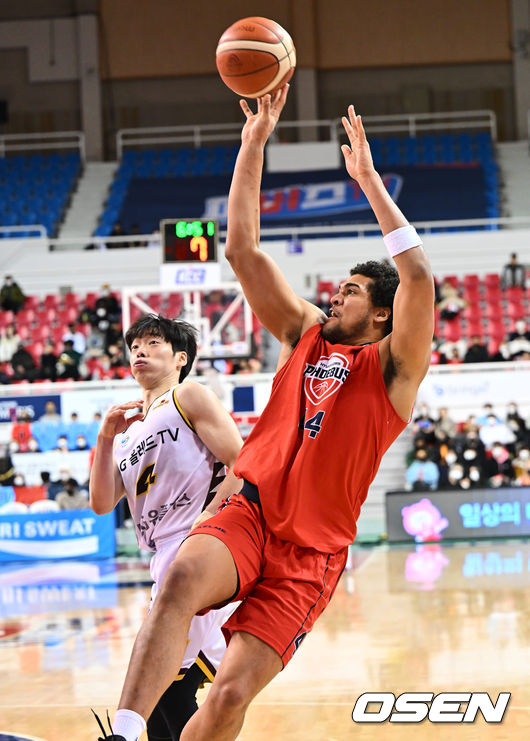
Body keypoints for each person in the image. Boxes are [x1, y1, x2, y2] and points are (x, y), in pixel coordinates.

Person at [95, 88, 434, 741]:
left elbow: (417, 274)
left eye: (352, 293)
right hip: (251, 508)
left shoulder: (394, 372)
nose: (335, 298)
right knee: (180, 579)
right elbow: (242, 250)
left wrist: (366, 180)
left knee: (228, 696)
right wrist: (253, 142)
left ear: (382, 314)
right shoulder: (305, 333)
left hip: (313, 551)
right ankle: (126, 732)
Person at [90, 314, 243, 741]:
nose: (139, 351)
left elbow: (242, 464)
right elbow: (102, 503)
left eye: (152, 343)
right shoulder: (127, 431)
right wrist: (105, 438)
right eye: (135, 345)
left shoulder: (187, 395)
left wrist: (208, 520)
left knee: (162, 686)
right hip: (164, 553)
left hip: (198, 546)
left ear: (180, 358)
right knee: (164, 689)